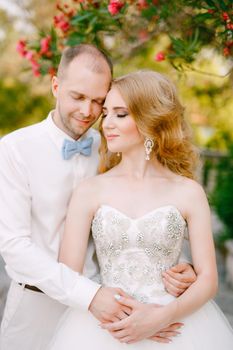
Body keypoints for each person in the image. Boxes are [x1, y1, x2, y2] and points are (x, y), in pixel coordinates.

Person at [0, 45, 195, 350]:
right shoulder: (14, 150)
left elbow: (142, 210)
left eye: (98, 101)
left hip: (111, 306)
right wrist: (89, 296)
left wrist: (178, 264)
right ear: (55, 86)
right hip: (37, 305)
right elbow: (14, 247)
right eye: (77, 97)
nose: (88, 111)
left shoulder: (113, 144)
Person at [47, 70, 233, 349]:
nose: (107, 123)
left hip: (175, 327)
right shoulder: (89, 191)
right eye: (106, 113)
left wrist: (162, 317)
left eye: (120, 114)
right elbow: (68, 273)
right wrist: (108, 308)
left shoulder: (188, 192)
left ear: (150, 120)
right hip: (102, 326)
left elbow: (208, 280)